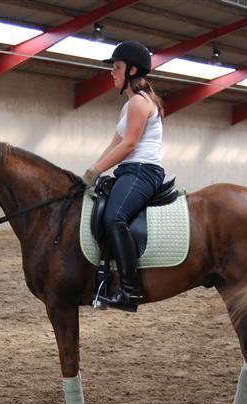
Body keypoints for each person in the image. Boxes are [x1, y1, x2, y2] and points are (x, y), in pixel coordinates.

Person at [81, 41, 165, 312]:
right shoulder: (128, 106)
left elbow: (129, 145)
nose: (112, 72)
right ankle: (104, 278)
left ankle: (130, 291)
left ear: (131, 70)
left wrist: (95, 171)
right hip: (129, 170)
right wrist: (90, 172)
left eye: (116, 67)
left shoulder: (140, 103)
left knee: (115, 218)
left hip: (143, 170)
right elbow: (113, 145)